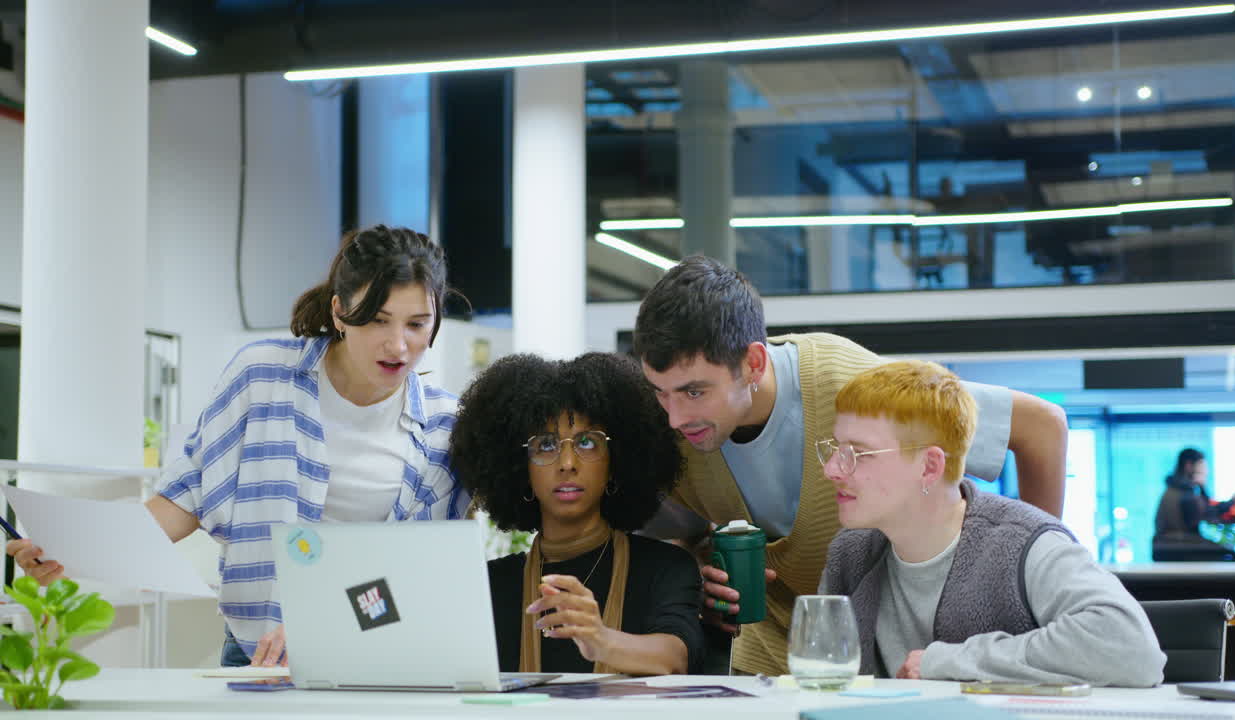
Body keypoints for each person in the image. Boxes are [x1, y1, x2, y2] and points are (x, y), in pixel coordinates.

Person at [7, 225, 468, 667]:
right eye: (377, 320)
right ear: (339, 313)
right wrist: (76, 548)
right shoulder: (262, 376)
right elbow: (183, 500)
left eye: (417, 324)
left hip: (382, 657)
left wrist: (328, 625)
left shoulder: (444, 428)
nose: (398, 344)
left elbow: (421, 571)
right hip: (257, 657)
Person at [632, 255, 1069, 676]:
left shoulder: (850, 384)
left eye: (693, 393)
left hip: (895, 655)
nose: (674, 417)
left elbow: (1042, 427)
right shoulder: (671, 434)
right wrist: (705, 575)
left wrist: (1032, 586)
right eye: (660, 392)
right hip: (774, 657)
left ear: (753, 363)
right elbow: (685, 535)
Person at [818, 360, 1164, 685]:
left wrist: (946, 663)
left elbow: (1132, 648)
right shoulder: (850, 554)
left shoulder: (1025, 543)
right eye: (835, 449)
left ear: (929, 467)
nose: (832, 469)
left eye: (857, 453)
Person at [450, 352, 703, 675]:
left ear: (616, 462)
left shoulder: (664, 567)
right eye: (545, 445)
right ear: (520, 469)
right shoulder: (489, 585)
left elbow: (675, 658)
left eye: (586, 442)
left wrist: (600, 639)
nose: (567, 463)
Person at [1153, 447, 1235, 556]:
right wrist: (1231, 502)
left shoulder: (1176, 488)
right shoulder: (1184, 492)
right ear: (1189, 465)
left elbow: (1206, 510)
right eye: (1202, 465)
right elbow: (1208, 514)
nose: (1205, 470)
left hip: (1171, 545)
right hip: (1179, 545)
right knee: (1232, 555)